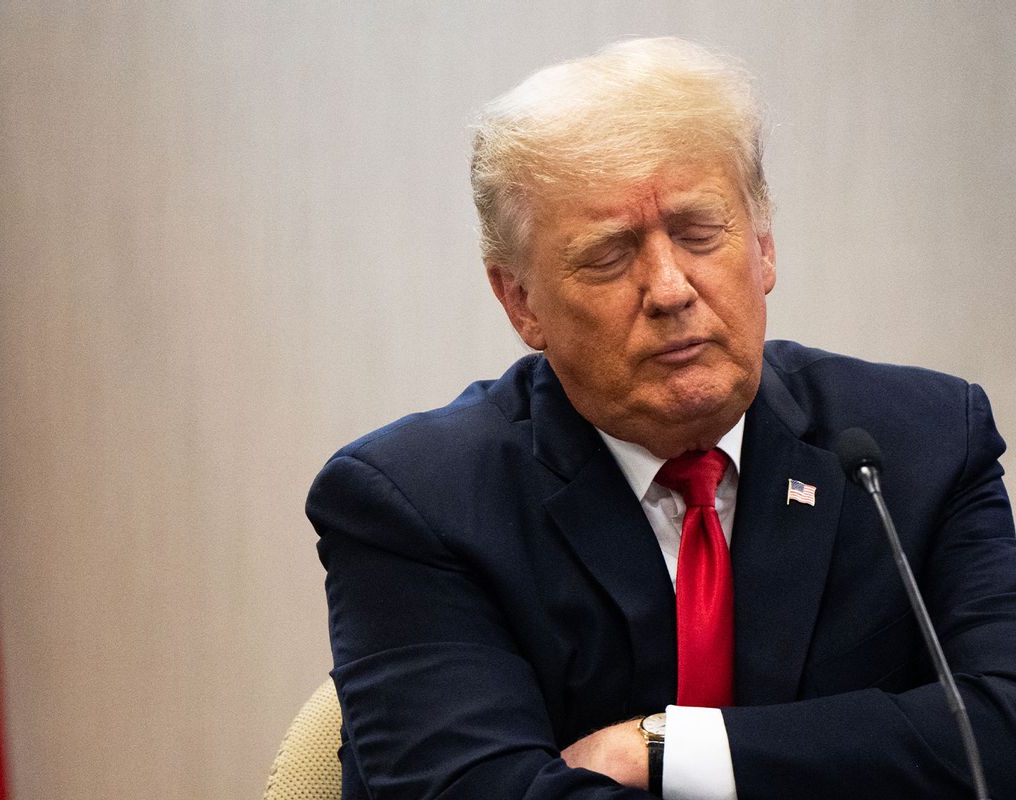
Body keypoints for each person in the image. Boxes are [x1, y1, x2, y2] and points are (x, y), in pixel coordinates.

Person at [306, 37, 1016, 799]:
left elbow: (1000, 735)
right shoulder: (417, 503)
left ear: (764, 246)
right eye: (609, 256)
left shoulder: (921, 444)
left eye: (699, 232)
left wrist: (670, 748)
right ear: (520, 301)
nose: (671, 288)